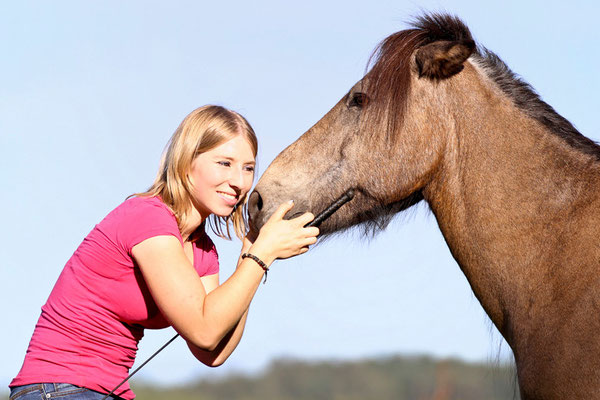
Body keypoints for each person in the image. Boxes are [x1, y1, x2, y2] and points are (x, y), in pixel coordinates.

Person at [9, 105, 319, 400]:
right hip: (58, 387)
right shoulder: (148, 218)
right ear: (187, 162)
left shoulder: (203, 251)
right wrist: (261, 255)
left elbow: (213, 352)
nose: (238, 182)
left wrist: (249, 258)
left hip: (104, 389)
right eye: (224, 163)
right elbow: (205, 330)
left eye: (248, 168)